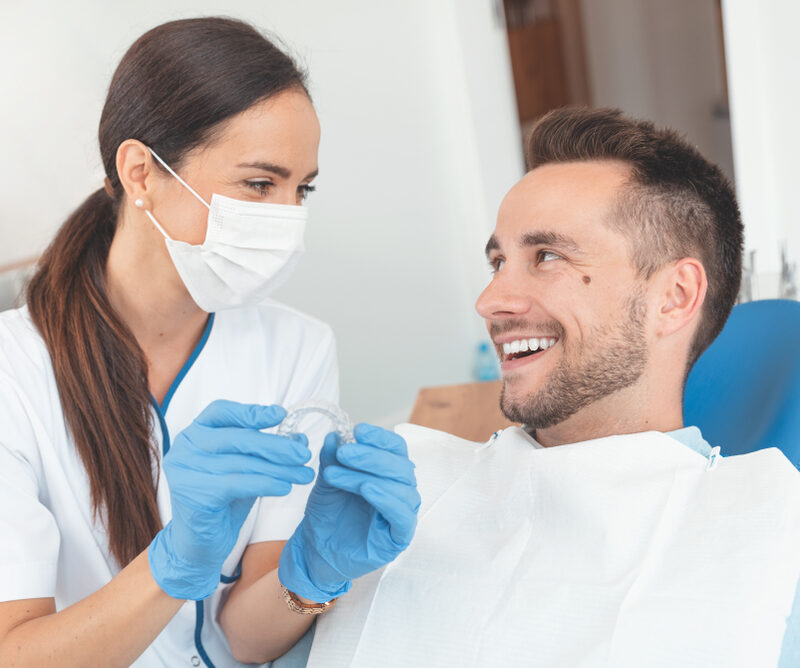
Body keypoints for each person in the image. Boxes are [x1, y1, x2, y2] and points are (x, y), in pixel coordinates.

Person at [304, 108, 800, 667]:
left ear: (675, 297)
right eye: (498, 262)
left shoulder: (769, 550)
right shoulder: (405, 496)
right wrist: (296, 587)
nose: (490, 302)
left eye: (547, 257)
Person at [0, 17, 418, 668]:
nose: (288, 218)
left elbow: (246, 640)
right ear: (141, 172)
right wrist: (170, 565)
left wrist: (312, 572)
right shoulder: (15, 374)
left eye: (302, 189)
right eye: (260, 184)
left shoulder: (296, 348)